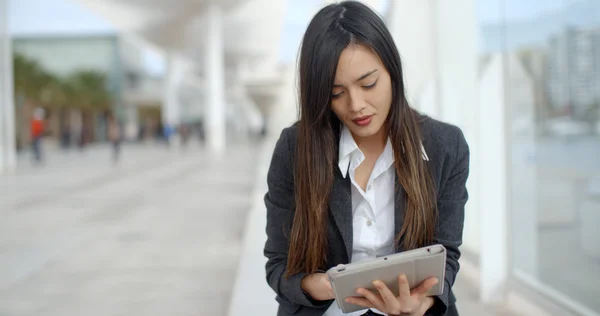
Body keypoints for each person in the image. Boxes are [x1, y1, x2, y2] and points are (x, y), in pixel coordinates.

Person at [263, 2, 469, 316]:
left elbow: (447, 257)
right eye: (336, 93)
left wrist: (421, 303)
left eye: (368, 83)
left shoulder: (446, 146)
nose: (356, 105)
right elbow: (278, 266)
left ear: (392, 70)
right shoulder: (295, 149)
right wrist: (321, 286)